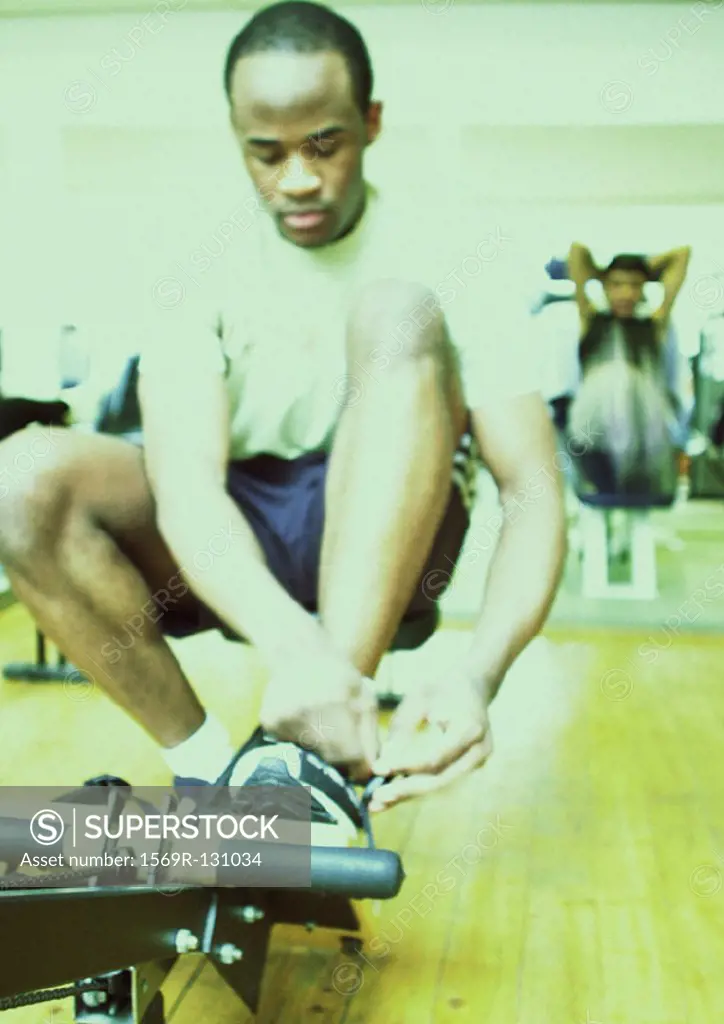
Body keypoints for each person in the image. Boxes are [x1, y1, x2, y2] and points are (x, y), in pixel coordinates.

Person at [0, 0, 565, 814]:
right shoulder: (196, 255)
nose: (296, 178)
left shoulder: (450, 253)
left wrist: (481, 675)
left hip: (391, 531)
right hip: (231, 543)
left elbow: (533, 490)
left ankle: (315, 766)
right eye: (265, 155)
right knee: (20, 476)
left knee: (396, 310)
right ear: (236, 137)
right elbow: (187, 486)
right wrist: (294, 650)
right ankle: (208, 770)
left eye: (324, 146)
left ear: (370, 122)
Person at [564, 243, 691, 495]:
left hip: (645, 436)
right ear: (605, 286)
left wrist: (645, 268)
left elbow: (682, 254)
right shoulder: (590, 320)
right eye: (617, 284)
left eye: (634, 285)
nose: (626, 293)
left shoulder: (654, 325)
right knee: (597, 501)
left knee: (638, 506)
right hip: (593, 434)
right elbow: (577, 252)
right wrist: (602, 273)